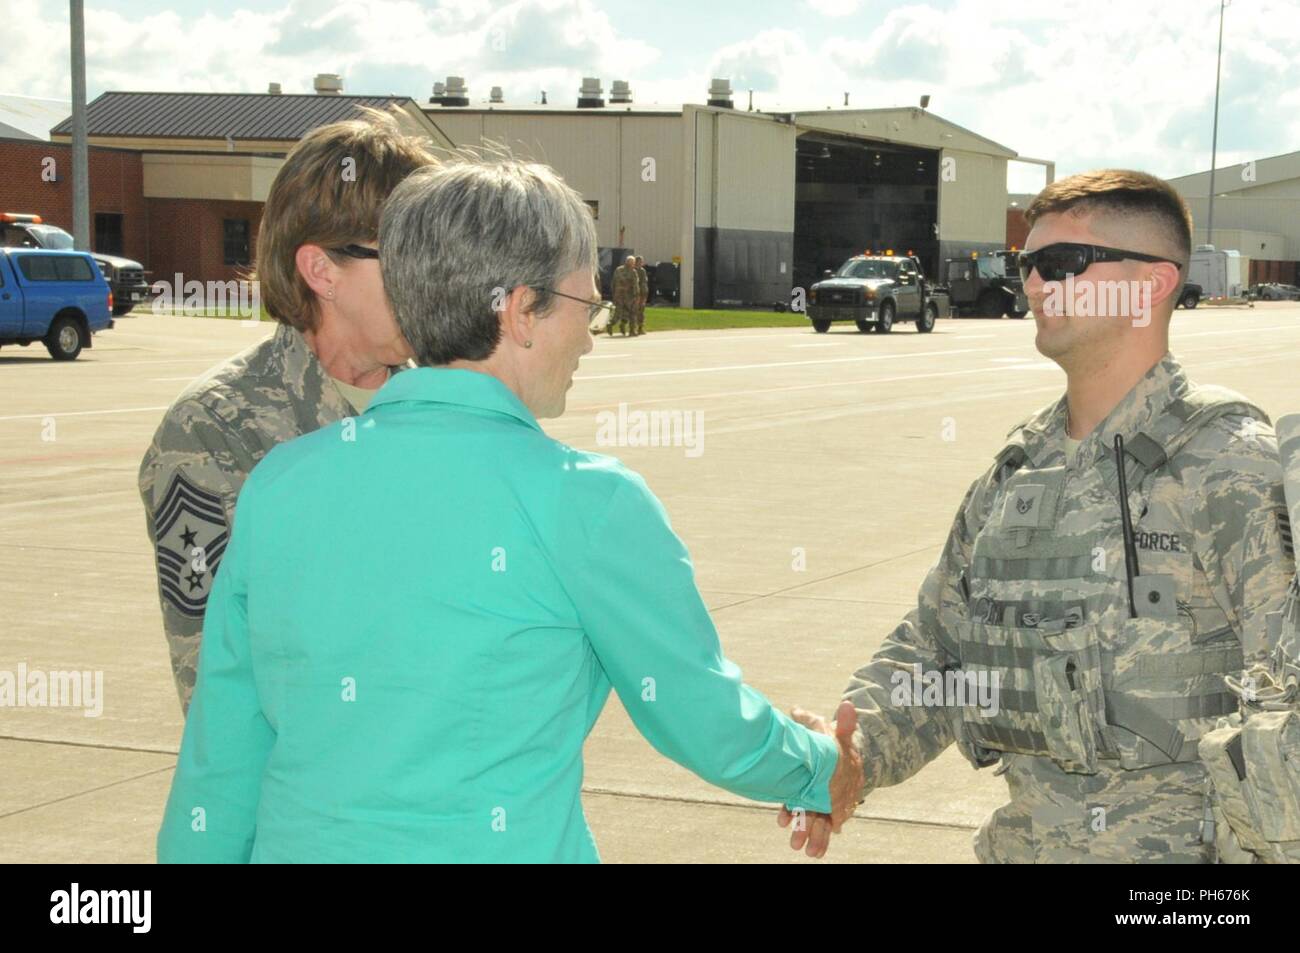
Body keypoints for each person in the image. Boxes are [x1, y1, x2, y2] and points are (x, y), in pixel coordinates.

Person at [156, 156, 863, 863]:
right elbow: (702, 718)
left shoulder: (280, 485)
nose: (591, 337)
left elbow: (220, 771)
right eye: (586, 307)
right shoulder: (589, 503)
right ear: (521, 310)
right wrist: (821, 766)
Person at [782, 169, 1295, 862]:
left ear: (1151, 285)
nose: (1032, 285)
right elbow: (938, 655)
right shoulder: (1020, 470)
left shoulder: (1229, 465)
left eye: (1061, 265)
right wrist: (850, 756)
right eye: (1028, 264)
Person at [138, 109, 438, 713]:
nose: (433, 280)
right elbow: (218, 682)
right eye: (407, 257)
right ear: (321, 270)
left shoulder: (443, 405)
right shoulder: (214, 430)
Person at [609, 254, 636, 336]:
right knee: (618, 313)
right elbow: (614, 282)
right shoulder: (619, 270)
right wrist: (614, 294)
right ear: (626, 262)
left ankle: (622, 326)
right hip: (619, 296)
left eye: (632, 262)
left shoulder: (633, 272)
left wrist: (636, 295)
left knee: (627, 314)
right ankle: (610, 325)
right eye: (630, 262)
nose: (631, 264)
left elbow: (635, 285)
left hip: (629, 297)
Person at [633, 254, 649, 335]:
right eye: (639, 261)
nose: (640, 263)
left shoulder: (643, 271)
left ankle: (640, 328)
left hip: (642, 293)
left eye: (641, 262)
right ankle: (633, 329)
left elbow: (644, 284)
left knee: (641, 312)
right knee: (634, 312)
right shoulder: (632, 271)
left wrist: (644, 296)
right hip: (634, 295)